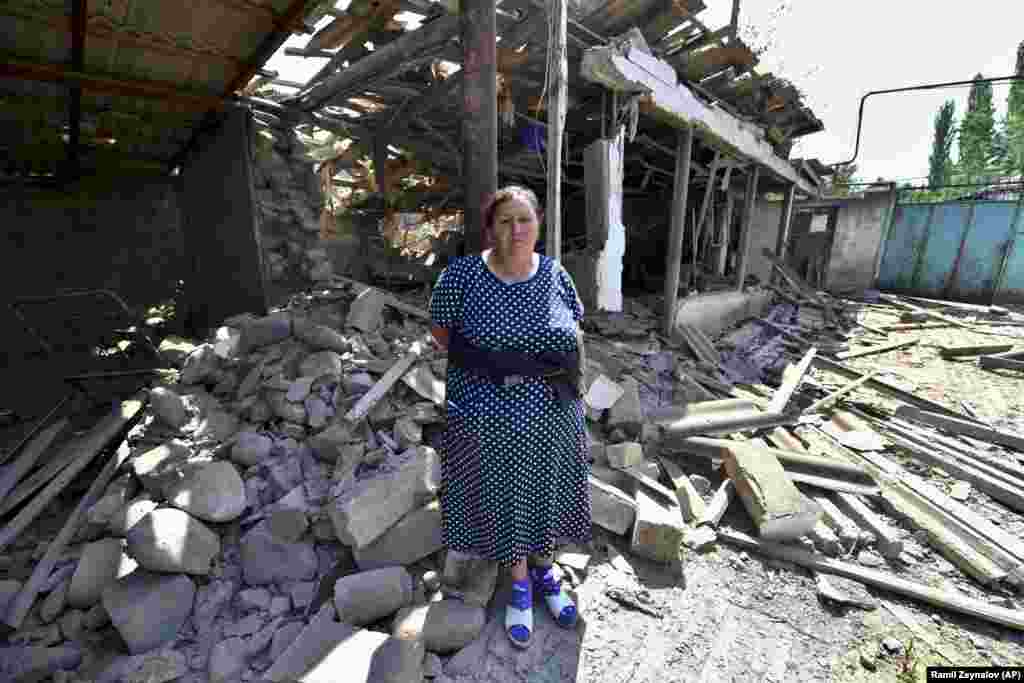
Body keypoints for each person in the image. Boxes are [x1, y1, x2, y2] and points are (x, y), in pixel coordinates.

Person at [428, 185, 591, 649]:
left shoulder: (557, 274)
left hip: (552, 415)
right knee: (503, 495)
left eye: (525, 219)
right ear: (489, 228)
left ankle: (544, 570)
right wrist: (496, 366)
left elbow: (576, 326)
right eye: (505, 220)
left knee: (546, 488)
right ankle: (518, 581)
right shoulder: (460, 277)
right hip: (488, 417)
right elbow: (442, 334)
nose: (516, 229)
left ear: (538, 223)